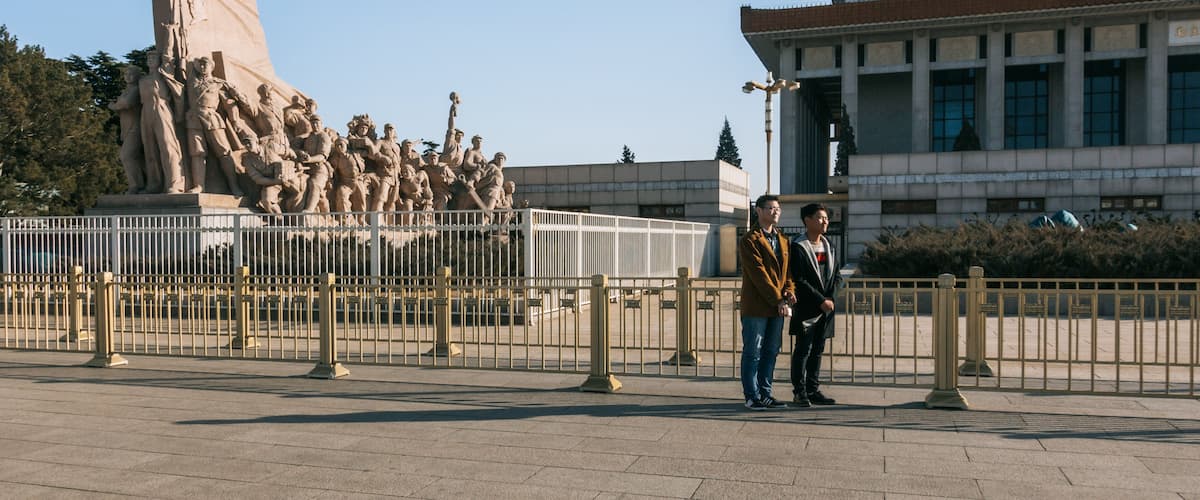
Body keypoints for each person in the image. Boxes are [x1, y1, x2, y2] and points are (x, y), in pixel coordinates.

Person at [738, 194, 795, 410]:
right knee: (753, 352)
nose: (775, 211)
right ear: (758, 211)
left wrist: (789, 291)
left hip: (777, 305)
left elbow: (788, 272)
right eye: (770, 208)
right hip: (756, 306)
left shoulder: (782, 239)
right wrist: (778, 299)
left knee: (771, 351)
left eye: (777, 208)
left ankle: (765, 393)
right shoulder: (749, 240)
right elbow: (759, 275)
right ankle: (751, 396)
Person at [788, 203, 842, 407]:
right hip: (808, 308)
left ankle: (813, 389)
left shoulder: (829, 245)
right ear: (807, 220)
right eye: (820, 217)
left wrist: (831, 299)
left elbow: (837, 276)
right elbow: (799, 280)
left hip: (826, 308)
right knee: (803, 350)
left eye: (826, 218)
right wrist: (821, 300)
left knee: (818, 350)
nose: (825, 221)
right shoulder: (798, 246)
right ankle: (799, 392)